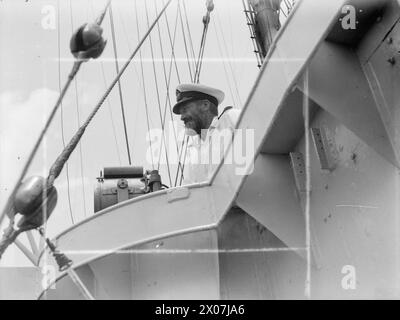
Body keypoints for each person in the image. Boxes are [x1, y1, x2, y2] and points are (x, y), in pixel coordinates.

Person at [173, 83, 241, 184]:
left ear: (205, 105)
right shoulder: (194, 151)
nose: (182, 117)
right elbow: (190, 192)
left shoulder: (231, 119)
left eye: (185, 110)